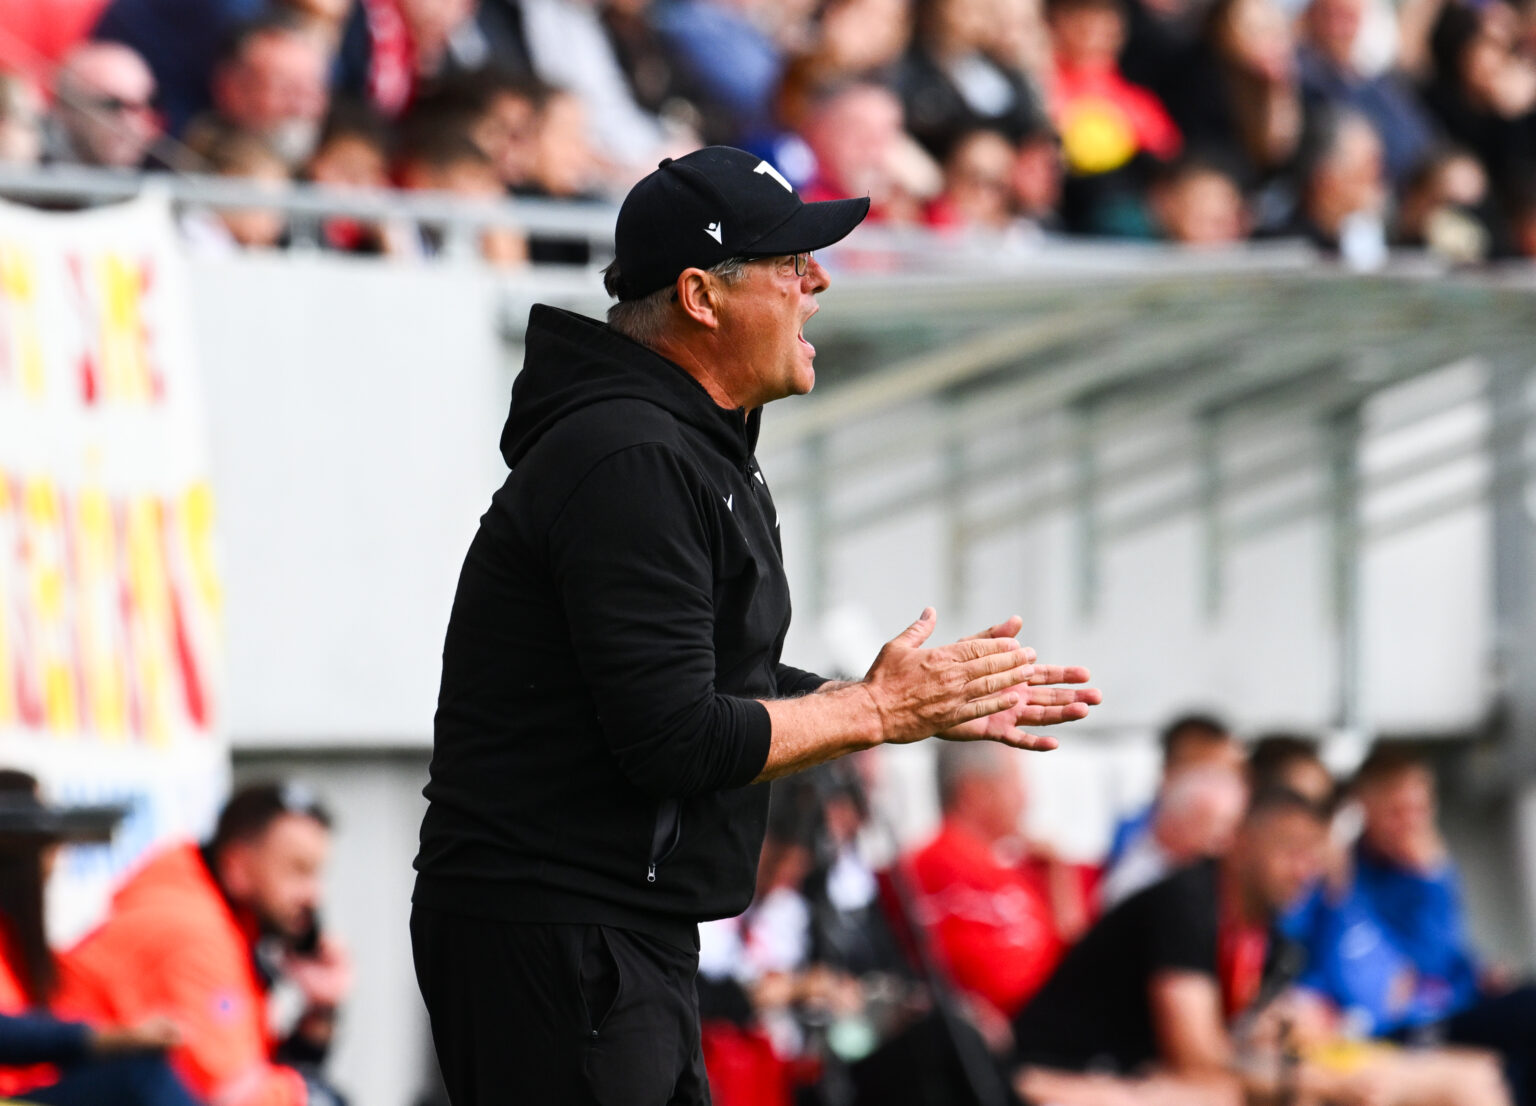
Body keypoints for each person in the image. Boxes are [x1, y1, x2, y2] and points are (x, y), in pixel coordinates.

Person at [410, 143, 1102, 1106]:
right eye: (791, 266)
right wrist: (871, 713)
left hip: (603, 934)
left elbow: (715, 689)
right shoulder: (632, 459)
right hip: (563, 934)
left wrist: (902, 702)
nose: (818, 282)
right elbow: (675, 736)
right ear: (701, 296)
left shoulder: (677, 447)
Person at [1013, 788, 1512, 1106]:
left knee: (1470, 1077)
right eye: (1290, 850)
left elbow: (1258, 1043)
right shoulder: (1186, 902)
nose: (1305, 870)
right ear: (1239, 843)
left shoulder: (1268, 937)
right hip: (1061, 1078)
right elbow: (1197, 1062)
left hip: (1146, 1079)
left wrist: (1319, 1061)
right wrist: (1319, 1083)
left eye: (1314, 856)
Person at [59, 782, 352, 1106]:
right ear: (237, 866)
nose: (315, 895)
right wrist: (316, 1096)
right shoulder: (193, 932)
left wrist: (319, 1012)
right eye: (299, 871)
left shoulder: (216, 915)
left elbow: (252, 1069)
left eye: (318, 874)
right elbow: (230, 1097)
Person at [0, 771, 202, 1106]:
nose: (56, 854)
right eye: (39, 837)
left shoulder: (17, 943)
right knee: (138, 1073)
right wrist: (105, 1038)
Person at [907, 743, 1086, 1034]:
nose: (1027, 798)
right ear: (974, 792)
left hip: (1050, 1031)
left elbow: (1075, 957)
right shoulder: (937, 865)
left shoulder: (1015, 868)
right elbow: (987, 980)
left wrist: (1059, 882)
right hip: (1015, 1041)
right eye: (1015, 784)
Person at [1099, 760, 1249, 906]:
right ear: (1176, 821)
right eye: (1218, 826)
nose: (1228, 839)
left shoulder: (1197, 874)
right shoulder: (1140, 882)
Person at [1105, 712, 1242, 868]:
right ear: (1168, 772)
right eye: (1202, 773)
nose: (1217, 793)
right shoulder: (1129, 837)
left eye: (1227, 774)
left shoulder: (1242, 844)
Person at [48, 42, 165, 170]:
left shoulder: (164, 182)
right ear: (67, 109)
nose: (130, 122)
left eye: (141, 106)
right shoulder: (36, 170)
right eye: (113, 105)